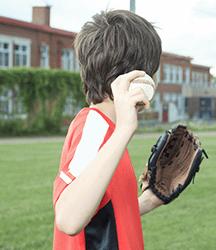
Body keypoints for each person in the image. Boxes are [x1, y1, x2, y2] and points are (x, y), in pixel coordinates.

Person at [52, 10, 163, 249]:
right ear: (137, 79)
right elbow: (68, 218)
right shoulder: (95, 128)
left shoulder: (107, 130)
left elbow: (102, 217)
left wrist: (148, 201)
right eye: (152, 72)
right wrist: (124, 130)